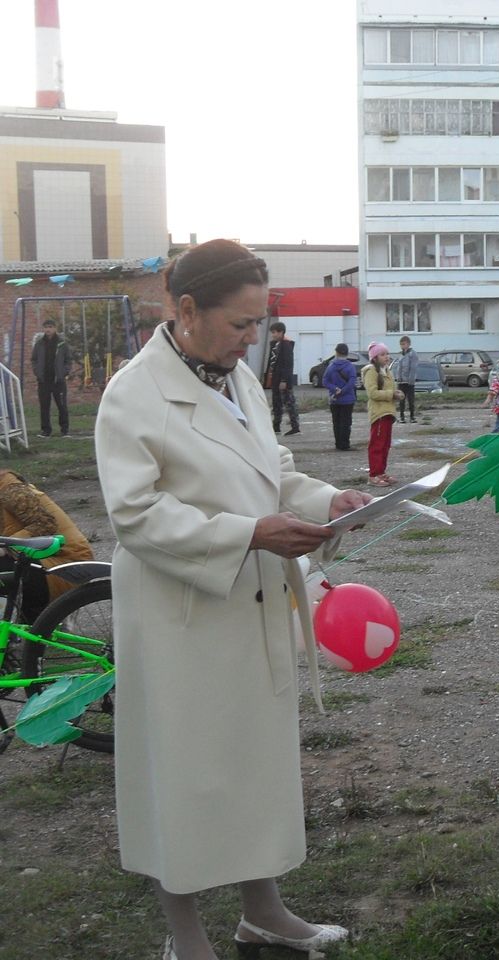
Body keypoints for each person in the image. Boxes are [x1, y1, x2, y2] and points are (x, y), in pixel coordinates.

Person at [94, 239, 371, 960]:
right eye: (241, 325)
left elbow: (271, 471)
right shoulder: (134, 393)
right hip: (178, 618)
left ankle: (264, 912)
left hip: (249, 607)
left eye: (259, 324)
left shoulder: (232, 378)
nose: (254, 341)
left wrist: (327, 499)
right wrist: (249, 534)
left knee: (256, 765)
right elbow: (136, 515)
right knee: (180, 773)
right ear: (186, 311)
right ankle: (185, 936)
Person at [0, 469, 94, 622]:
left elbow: (44, 523)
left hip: (66, 562)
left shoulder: (11, 490)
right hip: (36, 558)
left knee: (3, 567)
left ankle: (32, 624)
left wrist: (4, 547)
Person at [363, 342, 402, 486]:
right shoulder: (371, 371)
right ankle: (373, 475)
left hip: (388, 412)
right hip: (378, 413)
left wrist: (397, 394)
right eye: (382, 354)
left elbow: (389, 390)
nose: (386, 357)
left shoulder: (387, 371)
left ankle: (381, 472)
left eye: (387, 353)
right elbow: (372, 393)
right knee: (377, 445)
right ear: (375, 357)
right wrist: (391, 394)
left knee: (385, 444)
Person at [30, 318, 72, 438]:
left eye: (50, 327)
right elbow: (34, 360)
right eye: (46, 327)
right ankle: (46, 431)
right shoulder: (39, 344)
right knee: (44, 407)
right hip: (43, 381)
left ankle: (65, 430)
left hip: (58, 381)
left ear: (55, 328)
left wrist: (63, 372)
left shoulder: (62, 344)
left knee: (62, 406)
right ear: (43, 329)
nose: (48, 329)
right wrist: (37, 372)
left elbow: (68, 360)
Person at [263, 321, 300, 436]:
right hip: (275, 378)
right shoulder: (274, 344)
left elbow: (288, 364)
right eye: (272, 332)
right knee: (276, 403)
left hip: (283, 379)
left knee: (289, 403)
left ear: (281, 332)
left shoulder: (286, 345)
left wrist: (284, 380)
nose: (273, 335)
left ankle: (295, 427)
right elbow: (271, 363)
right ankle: (276, 427)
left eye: (274, 332)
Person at [322, 343, 358, 451]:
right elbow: (352, 382)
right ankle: (345, 444)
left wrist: (335, 389)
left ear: (336, 353)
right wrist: (342, 391)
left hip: (334, 399)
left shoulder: (331, 366)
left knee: (336, 422)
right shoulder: (350, 366)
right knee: (346, 423)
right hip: (347, 400)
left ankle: (338, 443)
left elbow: (325, 381)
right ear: (347, 353)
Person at [393, 336, 419, 423]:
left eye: (404, 344)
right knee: (401, 399)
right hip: (401, 381)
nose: (402, 346)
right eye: (401, 344)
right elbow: (399, 367)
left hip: (409, 382)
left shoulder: (413, 354)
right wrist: (398, 378)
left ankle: (412, 416)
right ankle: (402, 417)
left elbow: (413, 368)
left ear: (408, 344)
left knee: (411, 399)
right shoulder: (401, 354)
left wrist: (411, 381)